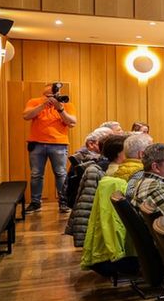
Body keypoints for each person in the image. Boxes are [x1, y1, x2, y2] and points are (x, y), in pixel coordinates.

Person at [22, 82, 79, 214]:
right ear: (44, 94)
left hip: (58, 144)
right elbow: (26, 116)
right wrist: (43, 105)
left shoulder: (66, 104)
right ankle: (36, 202)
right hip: (37, 144)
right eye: (50, 95)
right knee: (36, 174)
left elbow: (72, 122)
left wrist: (60, 109)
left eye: (56, 94)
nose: (54, 97)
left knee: (61, 173)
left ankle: (63, 202)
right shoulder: (35, 101)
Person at [67, 134, 122, 248]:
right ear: (121, 153)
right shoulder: (109, 172)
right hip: (107, 234)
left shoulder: (96, 167)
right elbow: (86, 206)